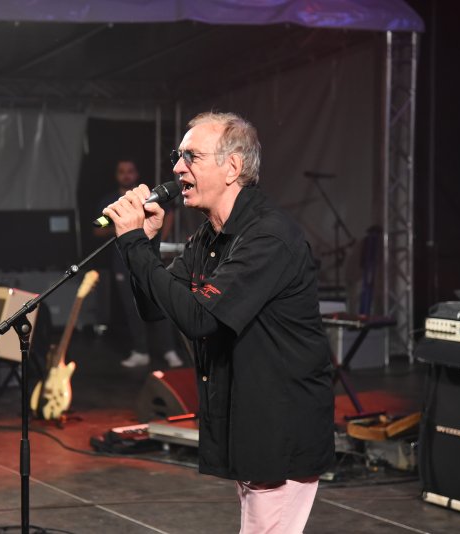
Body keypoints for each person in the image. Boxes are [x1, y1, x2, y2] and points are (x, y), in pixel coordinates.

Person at [102, 112, 334, 533]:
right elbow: (156, 308)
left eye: (191, 156)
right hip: (250, 421)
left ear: (232, 167)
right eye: (177, 156)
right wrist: (145, 245)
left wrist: (133, 243)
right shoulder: (209, 237)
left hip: (281, 425)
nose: (177, 167)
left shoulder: (267, 237)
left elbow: (200, 318)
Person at [94, 159, 183, 369]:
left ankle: (169, 350)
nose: (126, 175)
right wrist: (123, 227)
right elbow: (97, 229)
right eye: (121, 171)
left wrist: (158, 236)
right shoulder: (110, 201)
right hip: (122, 262)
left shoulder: (147, 197)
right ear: (116, 175)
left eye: (130, 171)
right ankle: (141, 351)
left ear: (136, 174)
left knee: (160, 302)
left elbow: (169, 213)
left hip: (149, 257)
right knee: (131, 308)